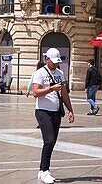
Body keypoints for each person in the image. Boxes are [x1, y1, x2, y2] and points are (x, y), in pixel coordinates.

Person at [30, 48, 75, 184]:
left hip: (56, 112)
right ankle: (45, 171)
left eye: (57, 62)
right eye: (53, 61)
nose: (55, 64)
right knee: (48, 140)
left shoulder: (60, 73)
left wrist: (70, 110)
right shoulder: (40, 73)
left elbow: (64, 93)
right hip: (43, 111)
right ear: (47, 59)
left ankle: (42, 170)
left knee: (53, 141)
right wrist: (50, 89)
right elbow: (35, 92)